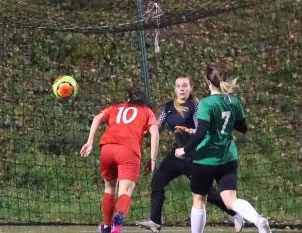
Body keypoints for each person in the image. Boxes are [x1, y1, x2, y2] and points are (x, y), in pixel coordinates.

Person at [136, 75, 244, 233]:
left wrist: (190, 131)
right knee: (157, 181)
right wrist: (138, 132)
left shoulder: (196, 106)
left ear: (190, 88)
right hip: (176, 154)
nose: (181, 88)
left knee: (209, 192)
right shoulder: (168, 107)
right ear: (174, 88)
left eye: (185, 85)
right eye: (178, 86)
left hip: (193, 155)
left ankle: (235, 214)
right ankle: (155, 221)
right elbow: (156, 128)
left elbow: (201, 129)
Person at [174, 66, 272, 233]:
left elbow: (201, 134)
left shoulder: (206, 103)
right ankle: (257, 219)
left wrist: (185, 150)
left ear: (207, 82)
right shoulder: (233, 101)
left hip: (205, 159)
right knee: (230, 200)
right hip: (228, 158)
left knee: (199, 199)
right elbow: (243, 128)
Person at [80, 88, 159, 233]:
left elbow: (97, 118)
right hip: (128, 151)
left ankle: (106, 226)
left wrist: (90, 141)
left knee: (109, 189)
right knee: (125, 191)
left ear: (128, 100)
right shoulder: (147, 111)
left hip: (107, 149)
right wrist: (152, 159)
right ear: (145, 102)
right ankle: (119, 216)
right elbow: (154, 133)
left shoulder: (116, 107)